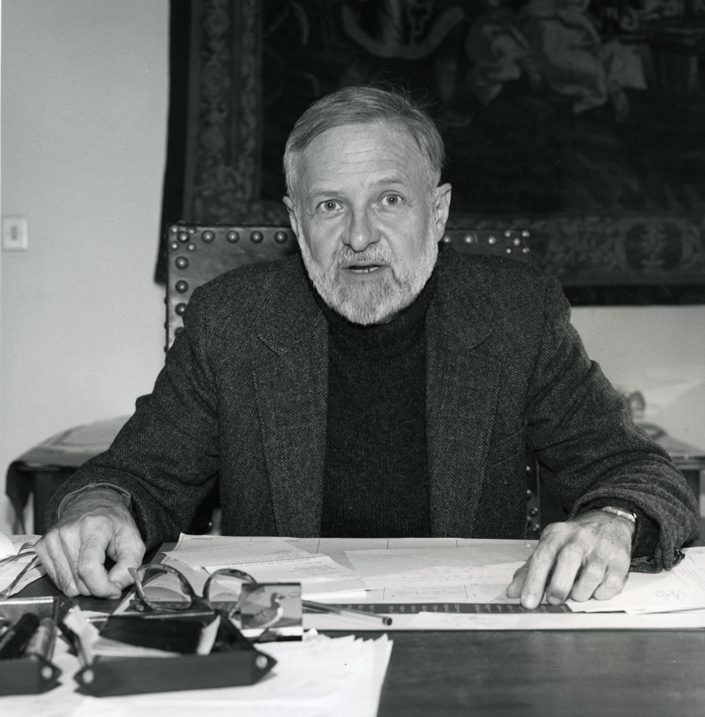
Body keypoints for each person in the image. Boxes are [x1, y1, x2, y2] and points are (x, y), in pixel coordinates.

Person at [36, 86, 699, 609]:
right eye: (329, 206)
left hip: (468, 629)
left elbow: (639, 472)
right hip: (289, 635)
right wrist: (100, 510)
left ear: (437, 212)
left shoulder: (515, 314)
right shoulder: (231, 321)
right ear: (296, 223)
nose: (358, 236)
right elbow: (134, 475)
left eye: (389, 199)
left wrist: (612, 519)